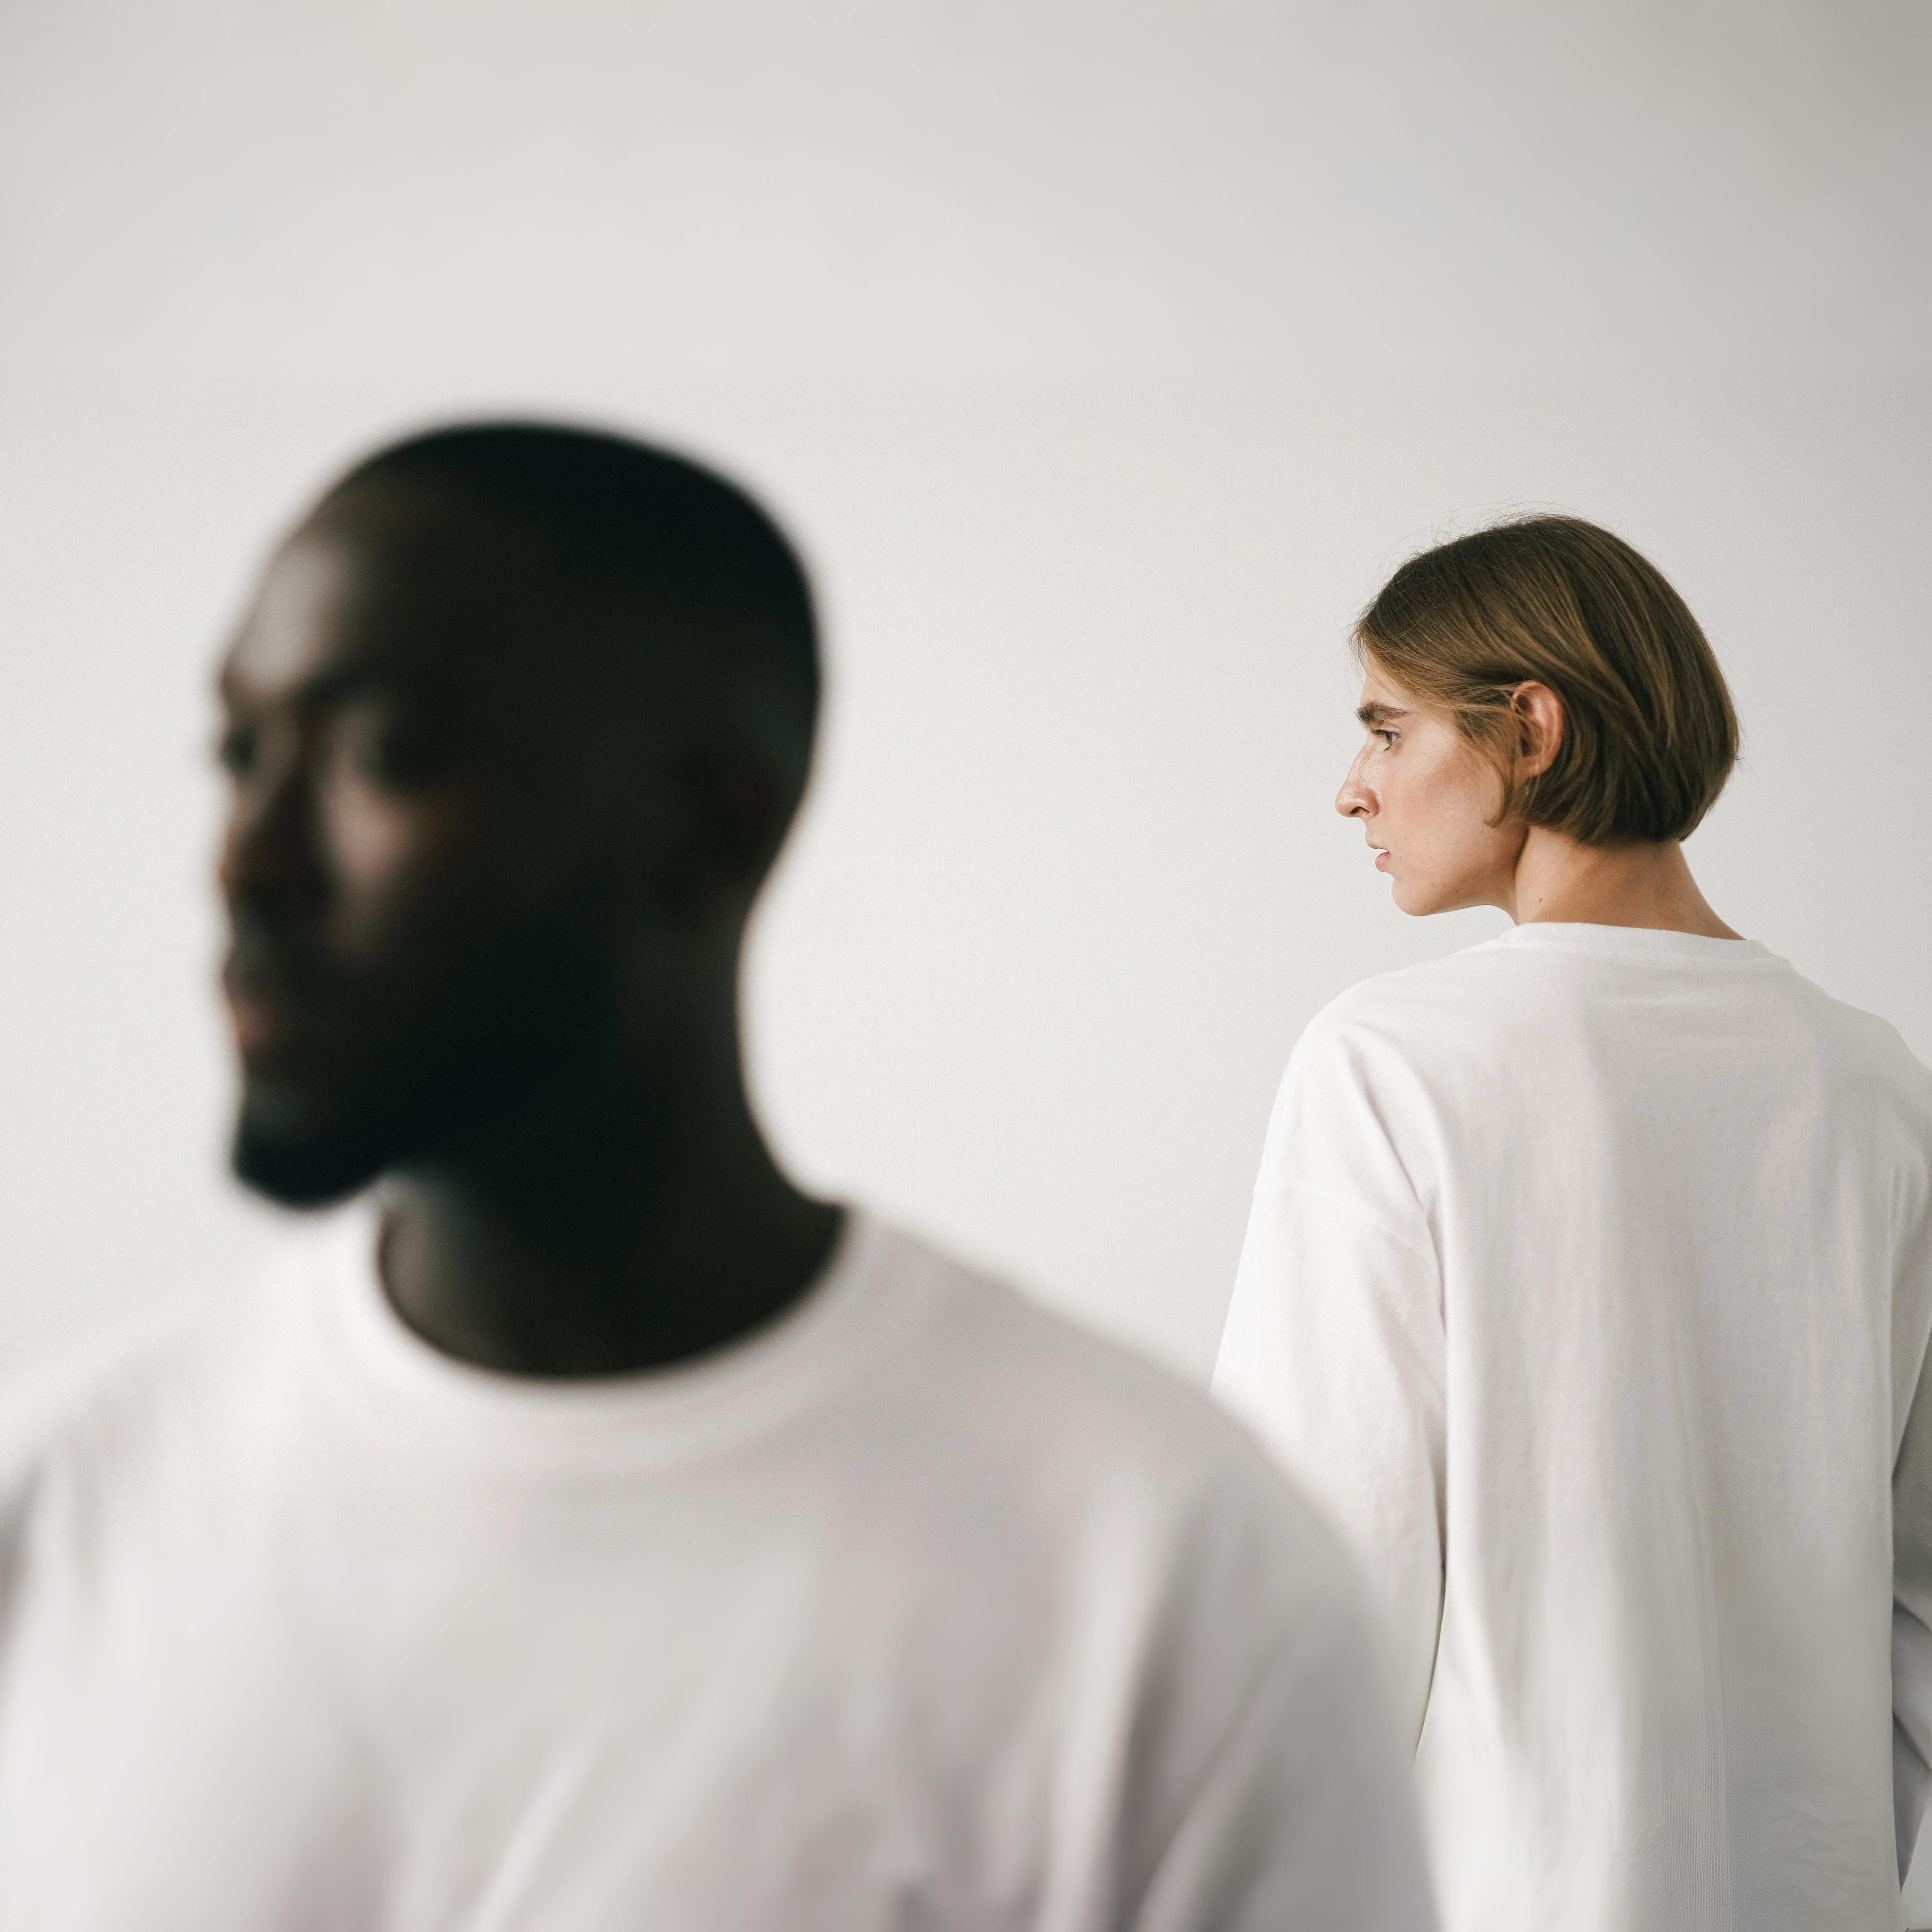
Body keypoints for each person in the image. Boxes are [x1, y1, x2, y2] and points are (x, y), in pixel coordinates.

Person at [0, 421, 1432, 1930]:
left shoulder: (1166, 1584)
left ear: (710, 823)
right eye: (239, 753)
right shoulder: (60, 1508)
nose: (246, 858)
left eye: (386, 751)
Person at [1212, 512, 1932, 1931]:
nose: (1352, 790)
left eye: (1387, 728)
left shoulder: (1394, 1059)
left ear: (1529, 728)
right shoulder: (1877, 1083)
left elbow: (1310, 1581)